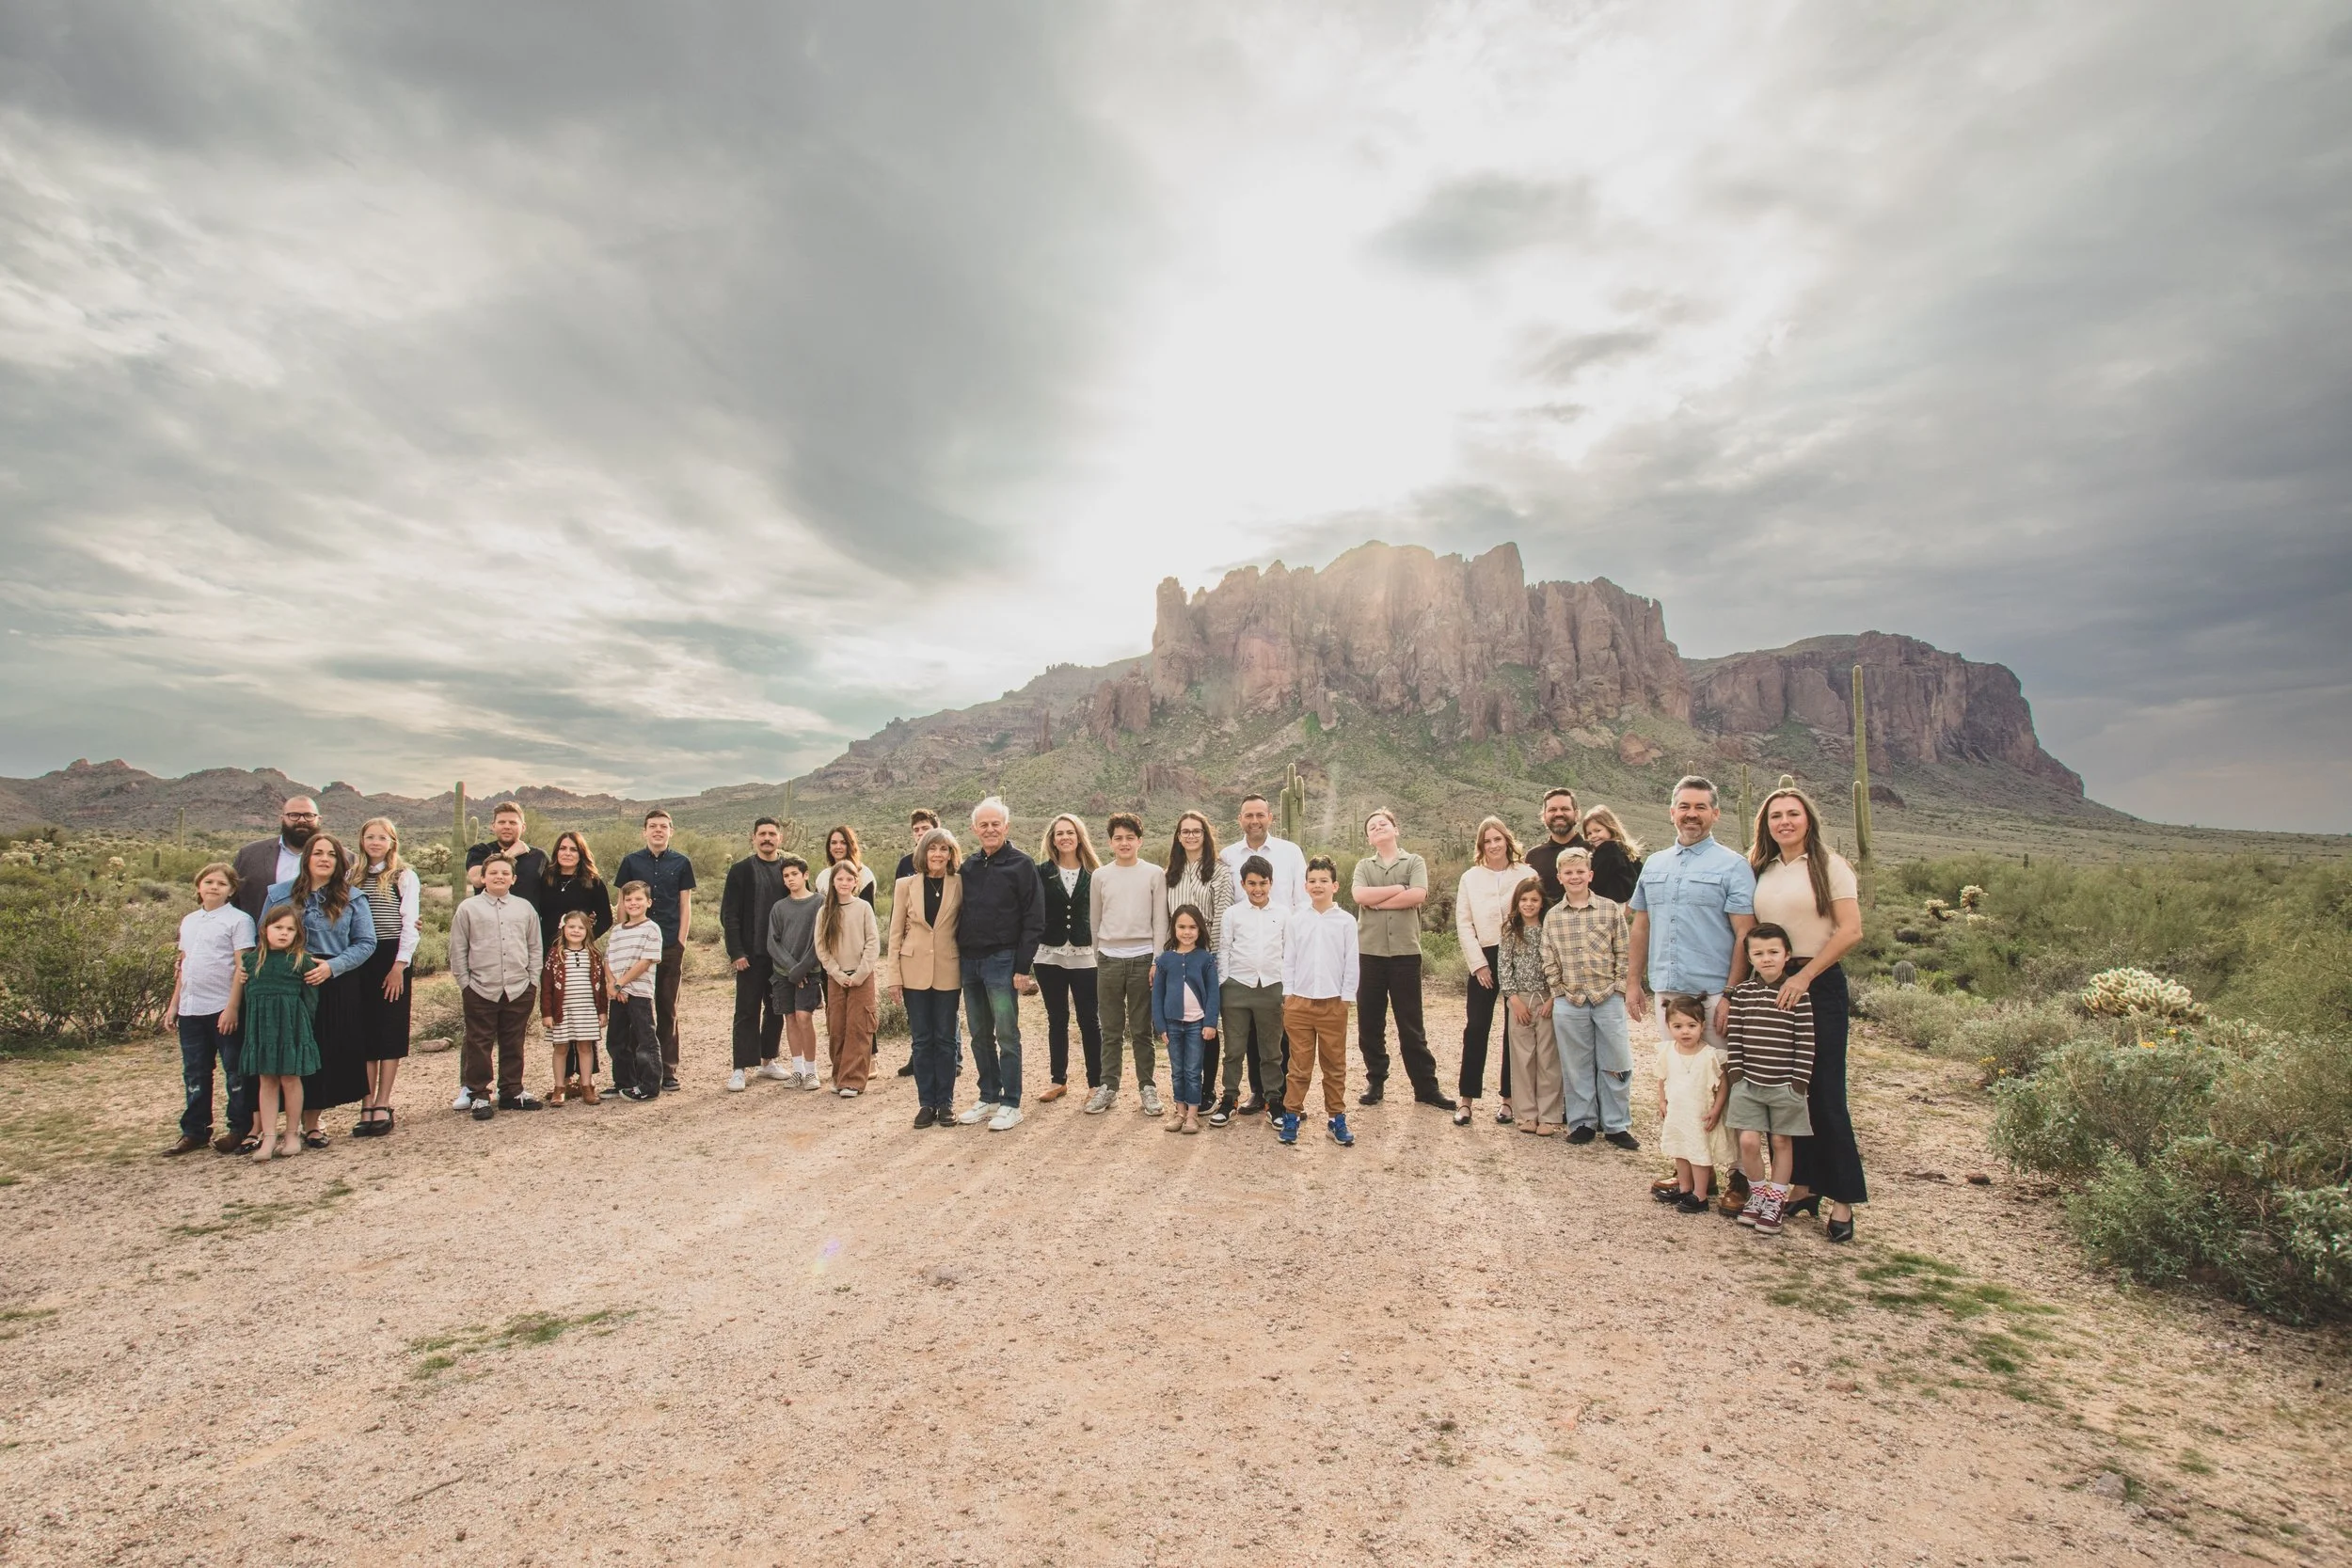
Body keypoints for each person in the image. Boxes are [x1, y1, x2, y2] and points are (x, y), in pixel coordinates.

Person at [1748, 786, 1867, 1243]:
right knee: (1786, 1090)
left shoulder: (1829, 865)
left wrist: (1805, 976)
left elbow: (1850, 930)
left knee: (1824, 1091)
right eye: (1776, 815)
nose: (1785, 822)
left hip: (1817, 982)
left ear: (1808, 819)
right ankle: (1801, 1187)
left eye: (1793, 814)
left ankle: (1842, 1199)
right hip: (1773, 983)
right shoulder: (1763, 866)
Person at [1625, 776, 1757, 1054]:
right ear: (1673, 812)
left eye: (1701, 807)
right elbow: (1641, 926)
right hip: (1666, 993)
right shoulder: (1654, 864)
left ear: (1716, 814)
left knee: (1718, 1077)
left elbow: (1744, 934)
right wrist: (1633, 983)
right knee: (1677, 1076)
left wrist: (1731, 995)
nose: (1692, 814)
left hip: (1713, 994)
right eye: (1684, 807)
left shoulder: (1733, 866)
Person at [262, 832, 377, 1146]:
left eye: (331, 854)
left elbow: (367, 942)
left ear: (340, 862)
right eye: (318, 853)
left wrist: (331, 967)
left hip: (334, 980)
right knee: (285, 1051)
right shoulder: (279, 895)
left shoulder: (352, 898)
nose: (325, 859)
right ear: (307, 858)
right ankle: (275, 1129)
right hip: (286, 981)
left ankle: (312, 1124)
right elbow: (264, 936)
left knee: (320, 1051)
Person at [1352, 808, 1451, 1111]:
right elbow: (1359, 896)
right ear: (1369, 837)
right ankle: (1376, 1080)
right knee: (1370, 1022)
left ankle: (1426, 1087)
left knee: (1410, 1024)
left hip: (1406, 954)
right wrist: (1397, 889)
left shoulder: (1414, 861)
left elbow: (1418, 895)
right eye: (1372, 827)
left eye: (1383, 824)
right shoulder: (1363, 866)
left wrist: (1378, 902)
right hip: (1369, 952)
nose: (1378, 828)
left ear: (1396, 829)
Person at [1540, 847, 1638, 1149]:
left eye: (1580, 871)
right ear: (1559, 877)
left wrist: (1620, 987)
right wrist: (1559, 992)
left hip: (1607, 996)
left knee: (1615, 1061)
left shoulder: (1609, 910)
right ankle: (1583, 1122)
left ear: (1590, 874)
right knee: (1576, 1064)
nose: (1575, 877)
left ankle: (1616, 1124)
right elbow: (1548, 957)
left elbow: (1623, 950)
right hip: (1570, 1000)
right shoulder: (1553, 917)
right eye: (1568, 872)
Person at [955, 798, 1043, 1132]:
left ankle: (1011, 1103)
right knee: (979, 1034)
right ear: (974, 829)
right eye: (984, 825)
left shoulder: (1022, 865)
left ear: (1006, 827)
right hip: (970, 962)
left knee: (1007, 1034)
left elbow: (1034, 919)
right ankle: (988, 1096)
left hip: (1003, 961)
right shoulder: (969, 866)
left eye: (996, 824)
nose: (990, 829)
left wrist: (1022, 967)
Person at [1723, 923, 1816, 1238]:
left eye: (1773, 952)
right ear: (1749, 958)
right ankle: (1758, 1193)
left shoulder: (1797, 994)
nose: (1766, 959)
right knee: (1748, 1141)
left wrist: (1799, 1084)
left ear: (1786, 955)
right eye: (1758, 953)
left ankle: (1776, 1201)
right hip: (1748, 1083)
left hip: (1785, 1084)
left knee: (1780, 1141)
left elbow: (1806, 1042)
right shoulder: (1743, 994)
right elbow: (1734, 1037)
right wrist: (1736, 1075)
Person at [1219, 792, 1308, 1112]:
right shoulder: (1227, 856)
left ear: (1271, 817)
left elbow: (1303, 899)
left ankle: (1283, 1096)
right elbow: (1226, 904)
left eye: (1260, 815)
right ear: (1240, 819)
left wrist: (1296, 954)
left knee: (1280, 1034)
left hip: (1280, 953)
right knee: (1250, 1033)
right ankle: (1258, 1093)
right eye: (1248, 815)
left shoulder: (1290, 852)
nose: (1254, 820)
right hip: (1243, 958)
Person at [165, 863, 256, 1156]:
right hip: (192, 1007)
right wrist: (174, 1004)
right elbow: (184, 964)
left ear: (231, 890)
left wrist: (232, 1007)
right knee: (195, 1071)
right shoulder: (189, 921)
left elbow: (242, 966)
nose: (214, 887)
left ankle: (239, 1127)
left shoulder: (238, 921)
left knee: (235, 1070)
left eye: (221, 883)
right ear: (198, 887)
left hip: (222, 1006)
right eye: (209, 882)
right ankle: (195, 1130)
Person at [446, 852, 542, 1119]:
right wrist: (465, 984)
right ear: (483, 878)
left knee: (514, 1040)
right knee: (479, 1042)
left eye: (504, 873)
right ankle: (478, 1094)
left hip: (518, 986)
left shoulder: (524, 908)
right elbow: (458, 949)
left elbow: (535, 946)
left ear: (513, 878)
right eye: (493, 873)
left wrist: (533, 980)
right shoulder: (468, 908)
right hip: (480, 987)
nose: (499, 876)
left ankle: (511, 1091)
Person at [1454, 815, 1534, 1125]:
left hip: (1518, 953)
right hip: (1484, 956)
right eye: (1487, 841)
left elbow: (1534, 913)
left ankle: (1508, 1100)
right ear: (1480, 846)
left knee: (1513, 1029)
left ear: (1507, 840)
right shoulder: (1471, 878)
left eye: (1498, 838)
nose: (1493, 845)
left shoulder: (1526, 873)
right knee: (1476, 1028)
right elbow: (1464, 922)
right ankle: (1466, 1100)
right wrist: (1478, 965)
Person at [1087, 812, 1168, 1116]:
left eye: (1129, 838)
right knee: (1110, 1028)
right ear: (1110, 842)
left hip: (1142, 959)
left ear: (1140, 841)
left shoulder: (1153, 874)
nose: (1124, 843)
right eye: (1118, 838)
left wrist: (1157, 958)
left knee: (1141, 1028)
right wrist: (1100, 954)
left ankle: (1147, 1086)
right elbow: (1095, 920)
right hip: (1109, 959)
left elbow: (1160, 920)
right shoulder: (1101, 876)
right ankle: (1108, 1086)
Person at [616, 809, 697, 1092]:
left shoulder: (682, 862)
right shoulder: (630, 862)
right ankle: (638, 1072)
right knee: (637, 1008)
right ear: (644, 831)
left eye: (663, 826)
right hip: (636, 945)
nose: (658, 831)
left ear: (671, 831)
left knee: (667, 1007)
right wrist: (621, 936)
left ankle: (668, 1070)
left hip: (669, 944)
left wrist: (681, 940)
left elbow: (684, 903)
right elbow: (622, 902)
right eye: (653, 826)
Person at [1279, 857, 1358, 1147]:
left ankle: (1336, 1118)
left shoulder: (1346, 921)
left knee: (1334, 1064)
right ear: (1305, 885)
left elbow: (1352, 962)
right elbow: (1289, 960)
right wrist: (1288, 994)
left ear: (1335, 885)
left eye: (1324, 881)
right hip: (1299, 1003)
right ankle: (1291, 1115)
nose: (1318, 885)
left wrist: (1346, 998)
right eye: (1312, 881)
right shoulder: (1297, 920)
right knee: (1299, 1064)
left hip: (1333, 1003)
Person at [888, 827, 964, 1127]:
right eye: (932, 849)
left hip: (948, 969)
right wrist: (894, 976)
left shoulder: (959, 883)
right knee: (921, 1041)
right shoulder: (905, 885)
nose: (937, 854)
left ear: (951, 854)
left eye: (944, 849)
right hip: (912, 971)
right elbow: (894, 933)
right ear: (923, 853)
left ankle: (945, 1103)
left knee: (946, 1040)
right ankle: (925, 1104)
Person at [349, 818, 419, 1138]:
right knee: (363, 1033)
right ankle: (366, 1101)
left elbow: (409, 922)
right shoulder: (351, 876)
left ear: (393, 842)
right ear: (362, 840)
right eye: (370, 837)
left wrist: (399, 965)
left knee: (389, 1029)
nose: (375, 842)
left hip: (391, 956)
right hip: (357, 958)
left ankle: (383, 1101)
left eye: (382, 837)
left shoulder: (403, 877)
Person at [1164, 811, 1237, 1114]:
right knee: (1182, 1023)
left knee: (1208, 1024)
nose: (1191, 836)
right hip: (1177, 956)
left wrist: (1212, 957)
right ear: (1178, 837)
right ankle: (1185, 1093)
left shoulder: (1219, 871)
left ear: (1206, 836)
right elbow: (1167, 917)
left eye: (1197, 831)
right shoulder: (1170, 872)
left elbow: (1223, 913)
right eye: (1185, 831)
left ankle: (1206, 1092)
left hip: (1206, 955)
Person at [239, 905, 322, 1162]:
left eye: (290, 929)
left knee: (290, 1078)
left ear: (298, 934)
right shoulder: (251, 961)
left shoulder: (300, 960)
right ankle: (269, 1136)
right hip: (263, 1030)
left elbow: (311, 1000)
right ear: (265, 930)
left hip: (291, 1028)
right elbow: (248, 999)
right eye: (278, 928)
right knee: (267, 1080)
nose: (284, 933)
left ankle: (292, 1134)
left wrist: (302, 1028)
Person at [1031, 813, 1101, 1104]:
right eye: (1059, 833)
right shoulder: (1039, 872)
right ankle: (1058, 1080)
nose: (1065, 837)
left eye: (1070, 832)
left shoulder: (1096, 873)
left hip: (1086, 955)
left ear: (1079, 836)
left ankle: (1096, 1083)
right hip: (1049, 955)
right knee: (1056, 1018)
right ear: (1052, 840)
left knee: (1089, 1019)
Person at [722, 818, 793, 1091]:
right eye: (762, 834)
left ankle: (768, 1061)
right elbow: (729, 914)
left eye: (771, 834)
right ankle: (740, 1067)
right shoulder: (740, 870)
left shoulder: (789, 869)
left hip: (780, 955)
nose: (767, 838)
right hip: (750, 954)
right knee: (746, 1010)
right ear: (753, 838)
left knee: (776, 1010)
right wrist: (736, 951)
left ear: (780, 838)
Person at [1215, 855, 1285, 1130]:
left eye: (1263, 883)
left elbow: (1288, 951)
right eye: (1252, 883)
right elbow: (1224, 948)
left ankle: (1273, 1100)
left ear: (1271, 883)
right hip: (1236, 987)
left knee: (1271, 1049)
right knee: (1234, 1048)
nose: (1258, 889)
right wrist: (1224, 984)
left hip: (1271, 987)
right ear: (1243, 884)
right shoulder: (1233, 914)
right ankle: (1229, 1098)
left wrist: (1286, 989)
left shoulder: (1282, 914)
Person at [1655, 993, 1736, 1213]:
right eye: (1678, 1026)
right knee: (1680, 1150)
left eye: (1691, 1025)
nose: (1685, 1031)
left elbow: (1722, 1086)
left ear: (1702, 1025)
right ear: (1669, 1026)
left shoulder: (1710, 1055)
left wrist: (1716, 1110)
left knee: (1699, 1153)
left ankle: (1700, 1195)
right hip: (1678, 1112)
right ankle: (1684, 1187)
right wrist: (1662, 1101)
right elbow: (1662, 1078)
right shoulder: (1668, 1051)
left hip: (1699, 1113)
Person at [1496, 879, 1563, 1135]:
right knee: (1523, 1058)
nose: (1528, 904)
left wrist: (1553, 998)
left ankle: (1549, 1115)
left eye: (1534, 900)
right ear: (1517, 903)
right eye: (1524, 900)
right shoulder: (1511, 932)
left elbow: (1559, 964)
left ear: (1541, 902)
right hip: (1520, 1000)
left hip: (1547, 998)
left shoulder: (1550, 929)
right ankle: (1526, 1114)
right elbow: (1504, 968)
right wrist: (1513, 1000)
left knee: (1548, 1058)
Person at [1152, 906, 1220, 1134]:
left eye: (1192, 927)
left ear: (1200, 930)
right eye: (1182, 927)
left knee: (1193, 1070)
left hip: (1196, 1025)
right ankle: (1180, 1112)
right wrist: (1160, 1025)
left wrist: (1210, 1022)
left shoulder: (1205, 959)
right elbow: (1157, 995)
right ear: (1174, 929)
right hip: (1172, 1024)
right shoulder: (1165, 960)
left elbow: (1213, 993)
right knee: (1177, 1070)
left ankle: (1193, 1115)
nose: (1187, 932)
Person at [817, 859, 882, 1098]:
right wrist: (837, 973)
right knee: (837, 1027)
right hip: (836, 977)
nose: (844, 883)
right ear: (833, 882)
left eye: (849, 879)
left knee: (859, 1026)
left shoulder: (863, 907)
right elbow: (821, 947)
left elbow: (873, 942)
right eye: (840, 879)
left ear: (856, 882)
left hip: (861, 976)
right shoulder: (824, 911)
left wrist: (861, 973)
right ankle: (839, 1076)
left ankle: (853, 1081)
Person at [762, 856, 824, 1091]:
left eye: (794, 875)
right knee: (789, 1018)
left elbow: (820, 941)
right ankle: (797, 1070)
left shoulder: (819, 903)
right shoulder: (779, 907)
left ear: (805, 875)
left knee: (804, 1017)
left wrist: (802, 969)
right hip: (783, 974)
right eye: (786, 876)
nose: (790, 879)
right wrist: (792, 970)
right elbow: (772, 943)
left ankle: (811, 1071)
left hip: (810, 971)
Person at [540, 911, 609, 1105]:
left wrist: (603, 1011)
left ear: (587, 931)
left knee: (585, 1047)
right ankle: (559, 1087)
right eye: (571, 927)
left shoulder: (594, 955)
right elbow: (546, 986)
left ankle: (586, 1086)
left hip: (586, 1009)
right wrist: (547, 1013)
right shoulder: (555, 954)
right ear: (563, 929)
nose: (576, 931)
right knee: (561, 1048)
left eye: (581, 927)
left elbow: (602, 986)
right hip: (562, 1010)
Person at [603, 882, 665, 1101]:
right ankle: (624, 1082)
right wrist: (612, 985)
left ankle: (649, 1085)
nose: (633, 903)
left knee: (644, 1038)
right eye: (628, 900)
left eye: (638, 899)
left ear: (648, 902)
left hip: (639, 992)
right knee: (616, 1040)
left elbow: (645, 962)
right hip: (617, 993)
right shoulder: (618, 930)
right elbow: (608, 960)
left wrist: (621, 984)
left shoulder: (651, 929)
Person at [231, 796, 320, 923]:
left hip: (319, 941)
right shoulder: (249, 855)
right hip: (260, 939)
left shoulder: (344, 859)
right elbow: (233, 901)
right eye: (294, 815)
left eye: (309, 815)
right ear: (282, 818)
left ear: (319, 819)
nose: (302, 820)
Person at [537, 831, 613, 953]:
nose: (567, 853)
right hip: (546, 949)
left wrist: (585, 940)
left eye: (573, 850)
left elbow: (606, 920)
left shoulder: (593, 882)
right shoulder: (545, 879)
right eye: (563, 848)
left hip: (577, 951)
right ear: (557, 852)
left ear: (581, 854)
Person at [466, 801, 548, 911]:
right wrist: (510, 854)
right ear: (493, 826)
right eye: (502, 822)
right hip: (487, 922)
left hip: (526, 924)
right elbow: (477, 879)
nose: (507, 826)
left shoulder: (539, 857)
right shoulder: (481, 851)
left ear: (523, 827)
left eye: (513, 823)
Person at [1522, 787, 1585, 911]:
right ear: (1544, 816)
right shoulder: (1534, 856)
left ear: (1576, 814)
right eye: (1552, 810)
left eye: (1565, 809)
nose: (1559, 814)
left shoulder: (1593, 851)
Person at [1577, 806, 1645, 905]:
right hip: (1623, 904)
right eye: (1589, 833)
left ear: (1610, 828)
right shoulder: (1625, 850)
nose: (1593, 836)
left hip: (1606, 904)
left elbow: (1595, 881)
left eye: (1598, 830)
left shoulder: (1608, 849)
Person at [823, 825, 878, 909]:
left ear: (850, 845)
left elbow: (868, 914)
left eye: (843, 843)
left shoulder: (865, 875)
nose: (838, 847)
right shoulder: (823, 877)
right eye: (834, 843)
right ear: (829, 848)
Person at [894, 808, 942, 881]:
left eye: (925, 828)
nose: (920, 833)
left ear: (936, 830)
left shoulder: (945, 860)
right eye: (916, 830)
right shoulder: (905, 863)